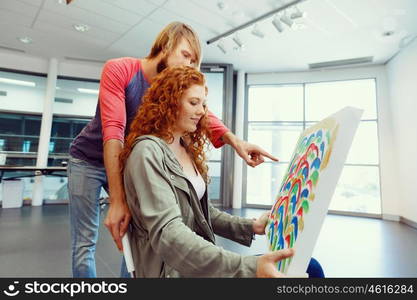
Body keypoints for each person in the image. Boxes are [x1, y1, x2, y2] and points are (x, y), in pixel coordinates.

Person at [67, 22, 278, 278]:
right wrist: (118, 200)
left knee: (135, 237)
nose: (188, 65)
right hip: (88, 160)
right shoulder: (120, 69)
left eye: (194, 62)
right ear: (165, 46)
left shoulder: (177, 101)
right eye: (185, 56)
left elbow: (202, 111)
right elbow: (114, 131)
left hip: (127, 159)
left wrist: (237, 142)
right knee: (85, 242)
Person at [121, 65, 296, 277]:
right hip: (172, 270)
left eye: (203, 104)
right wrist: (249, 268)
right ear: (168, 102)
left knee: (307, 266)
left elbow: (204, 213)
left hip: (196, 263)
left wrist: (252, 227)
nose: (202, 111)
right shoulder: (147, 152)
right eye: (193, 103)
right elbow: (170, 234)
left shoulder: (183, 146)